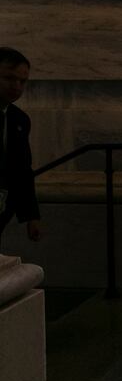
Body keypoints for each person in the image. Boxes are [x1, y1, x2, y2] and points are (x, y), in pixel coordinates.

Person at [0, 47, 41, 243]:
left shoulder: (19, 119)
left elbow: (23, 169)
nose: (16, 86)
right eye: (9, 78)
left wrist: (31, 216)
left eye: (22, 81)